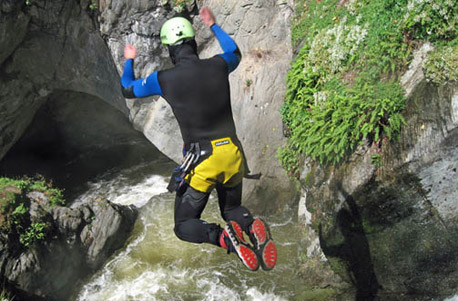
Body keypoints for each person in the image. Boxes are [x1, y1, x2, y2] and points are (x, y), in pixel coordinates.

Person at [120, 7, 276, 271]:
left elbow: (126, 88)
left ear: (170, 50)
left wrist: (129, 60)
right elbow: (235, 53)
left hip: (203, 162)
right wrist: (214, 25)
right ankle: (251, 225)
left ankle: (224, 238)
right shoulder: (218, 64)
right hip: (233, 155)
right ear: (193, 42)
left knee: (183, 225)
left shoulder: (164, 79)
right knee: (232, 210)